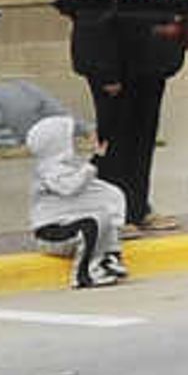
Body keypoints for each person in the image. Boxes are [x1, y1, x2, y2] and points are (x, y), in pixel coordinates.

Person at [60, 0, 185, 234]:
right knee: (115, 139)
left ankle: (138, 206)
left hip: (150, 61)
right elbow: (87, 17)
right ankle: (111, 212)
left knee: (144, 136)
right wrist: (105, 71)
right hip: (112, 63)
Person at [26, 113, 130, 290]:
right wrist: (95, 160)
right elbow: (71, 187)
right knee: (91, 225)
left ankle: (109, 256)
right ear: (56, 144)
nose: (74, 142)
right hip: (50, 233)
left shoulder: (67, 166)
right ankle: (84, 275)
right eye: (69, 139)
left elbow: (96, 191)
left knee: (104, 211)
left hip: (66, 224)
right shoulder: (49, 171)